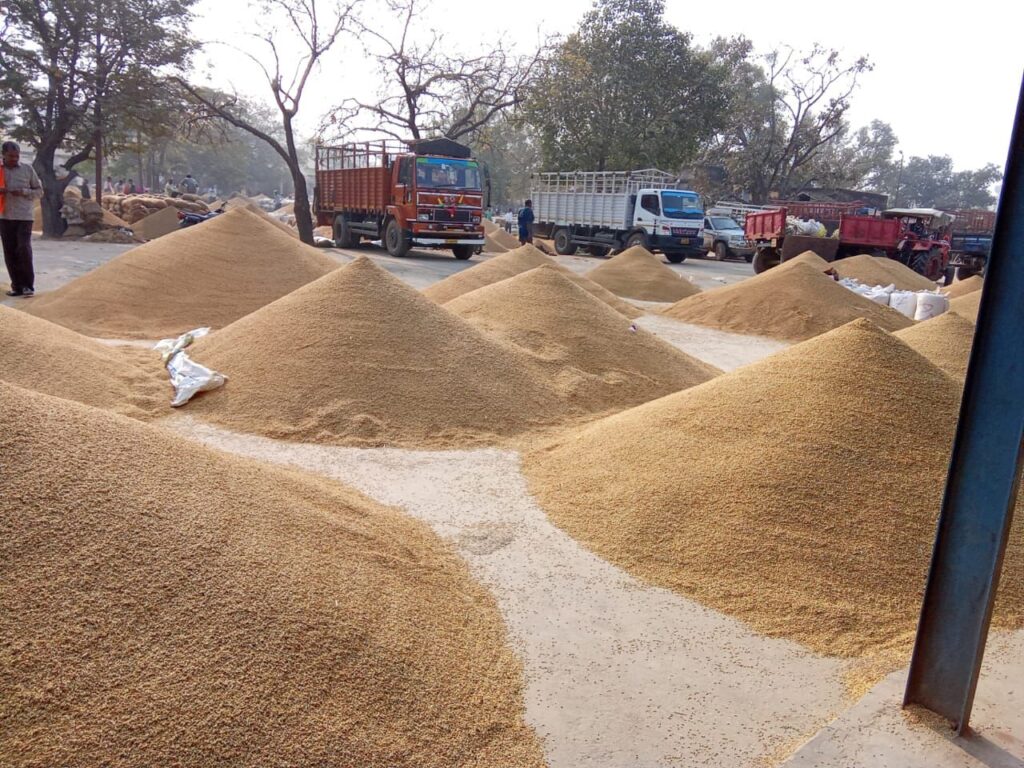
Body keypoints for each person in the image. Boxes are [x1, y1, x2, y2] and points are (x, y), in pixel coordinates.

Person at [0, 141, 43, 297]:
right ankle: (16, 287)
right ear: (3, 155)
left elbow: (39, 191)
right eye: (11, 156)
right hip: (4, 216)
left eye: (16, 156)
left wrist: (24, 192)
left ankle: (28, 286)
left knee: (23, 248)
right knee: (9, 251)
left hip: (24, 216)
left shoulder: (27, 169)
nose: (14, 159)